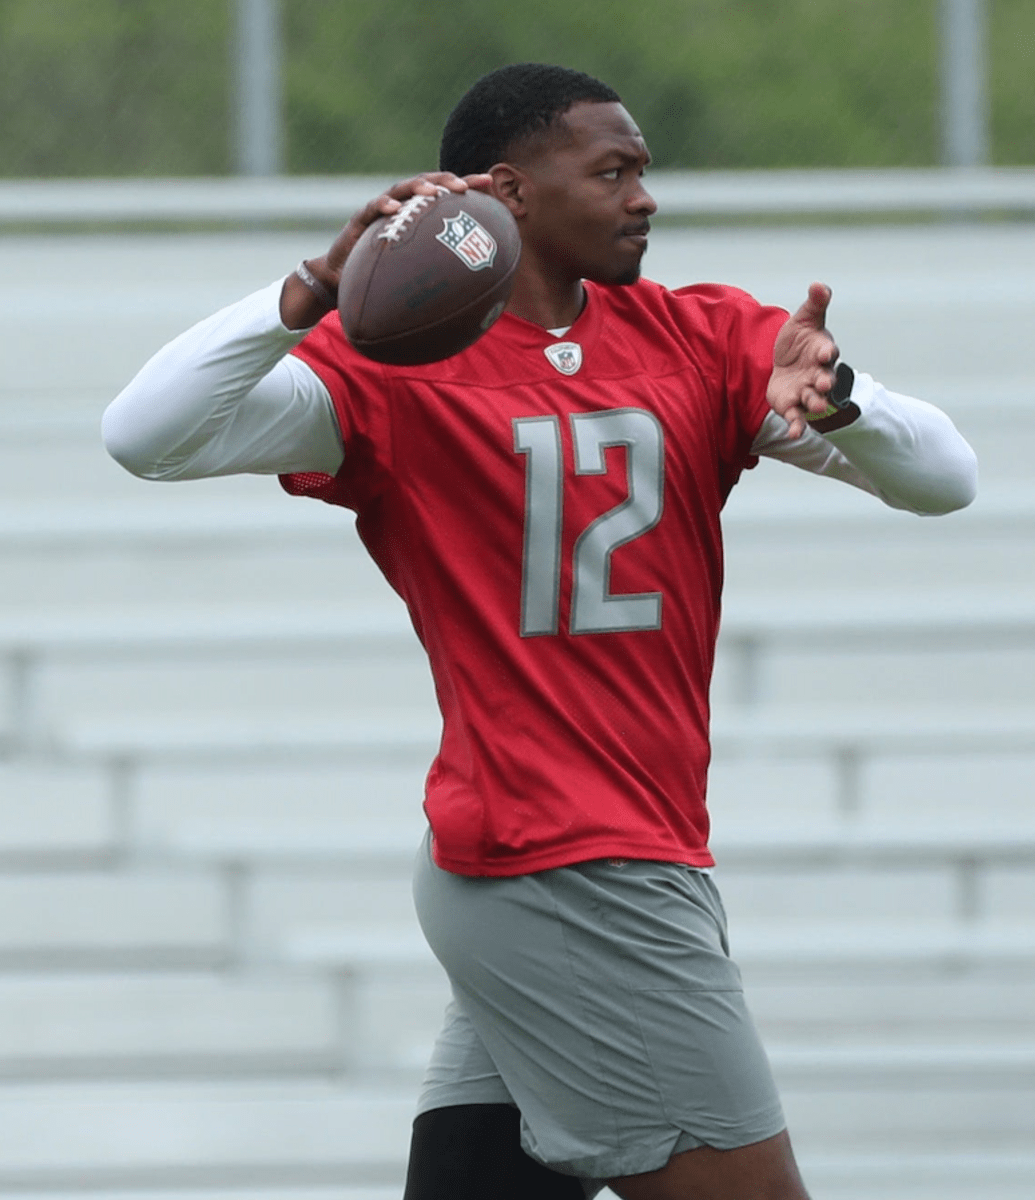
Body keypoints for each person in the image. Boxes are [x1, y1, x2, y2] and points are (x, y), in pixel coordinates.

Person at [104, 62, 977, 1200]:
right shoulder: (394, 372)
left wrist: (845, 397)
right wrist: (314, 285)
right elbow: (145, 434)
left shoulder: (698, 337)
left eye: (644, 173)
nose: (644, 198)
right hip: (574, 861)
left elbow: (945, 479)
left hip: (577, 856)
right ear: (507, 192)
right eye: (612, 172)